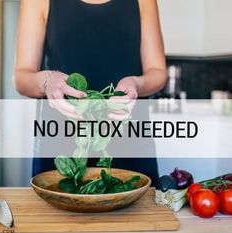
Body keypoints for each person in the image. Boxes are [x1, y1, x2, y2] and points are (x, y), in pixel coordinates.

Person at [14, 0, 167, 184]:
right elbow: (21, 78)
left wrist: (137, 83)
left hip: (130, 138)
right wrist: (47, 81)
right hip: (62, 145)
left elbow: (158, 72)